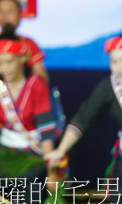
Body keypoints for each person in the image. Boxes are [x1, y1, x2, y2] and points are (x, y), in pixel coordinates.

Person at [0, 26, 58, 204]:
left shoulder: (36, 85)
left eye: (10, 61)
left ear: (22, 58)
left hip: (34, 154)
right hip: (4, 153)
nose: (4, 68)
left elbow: (46, 130)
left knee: (30, 197)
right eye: (0, 62)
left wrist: (52, 171)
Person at [45, 33, 122, 181]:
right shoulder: (109, 87)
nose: (119, 67)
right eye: (114, 61)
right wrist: (61, 150)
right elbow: (83, 119)